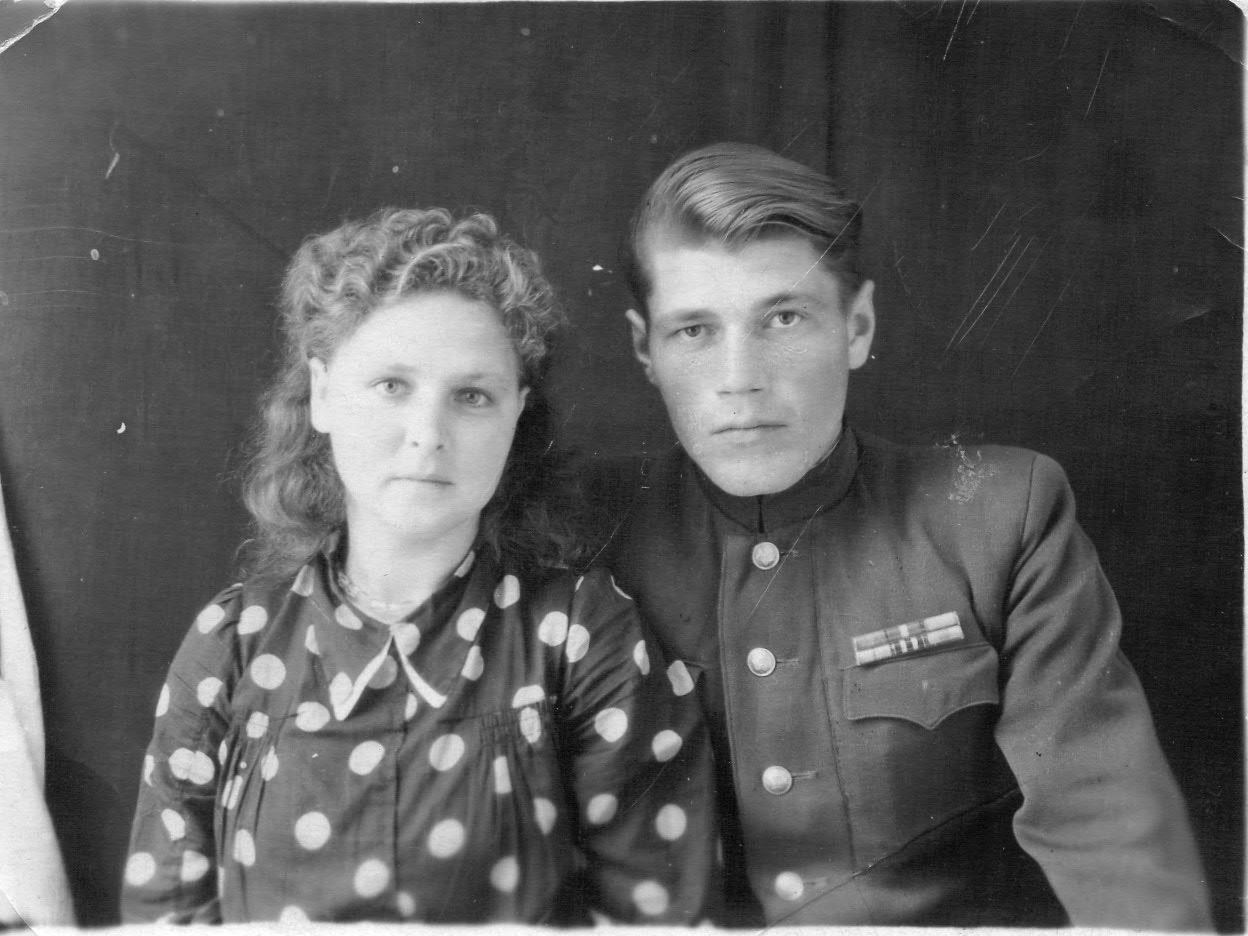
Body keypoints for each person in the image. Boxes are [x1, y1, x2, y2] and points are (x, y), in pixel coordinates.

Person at [590, 142, 1213, 929]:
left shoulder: (997, 515)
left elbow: (1111, 836)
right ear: (644, 348)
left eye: (784, 317)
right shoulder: (586, 538)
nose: (740, 378)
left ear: (857, 327)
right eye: (694, 331)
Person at [121, 208, 715, 924]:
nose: (428, 434)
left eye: (472, 396)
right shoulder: (233, 645)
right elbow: (163, 914)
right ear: (323, 394)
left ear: (516, 414)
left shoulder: (581, 641)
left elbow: (660, 917)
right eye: (391, 386)